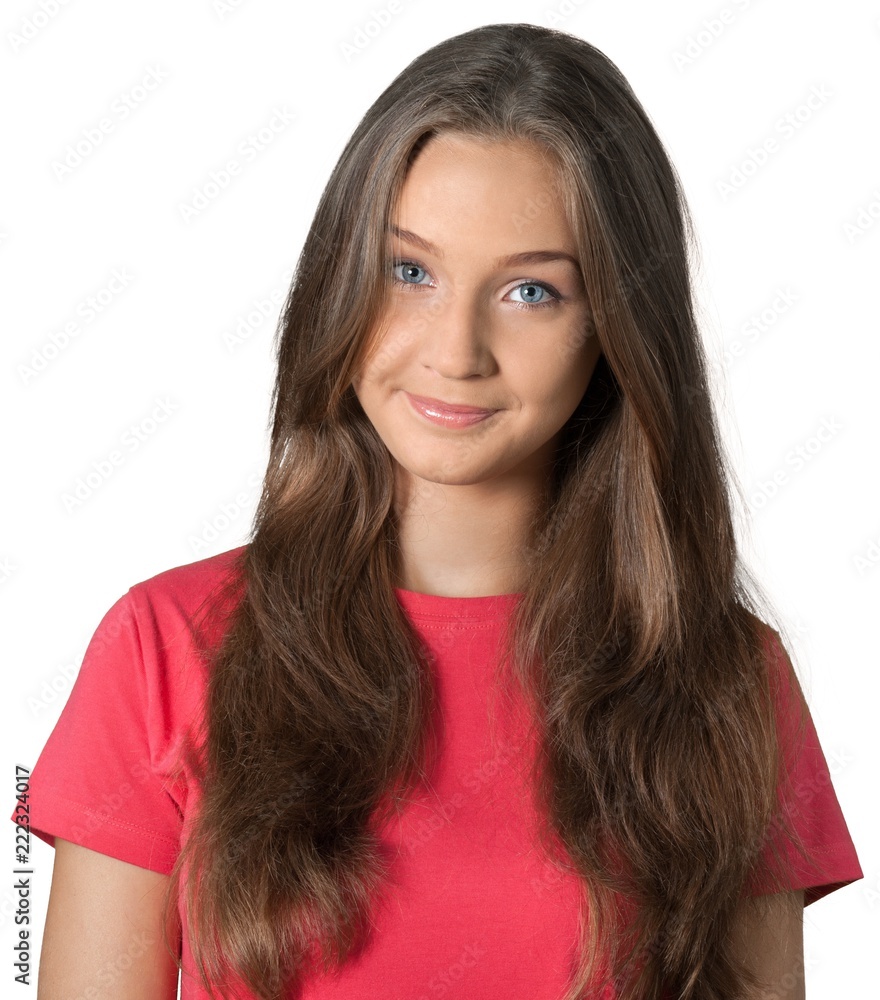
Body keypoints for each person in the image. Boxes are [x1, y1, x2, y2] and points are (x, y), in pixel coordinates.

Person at [12, 22, 863, 1000]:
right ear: (342, 277)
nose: (455, 349)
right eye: (408, 270)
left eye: (531, 290)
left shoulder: (724, 680)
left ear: (616, 330)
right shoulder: (163, 649)